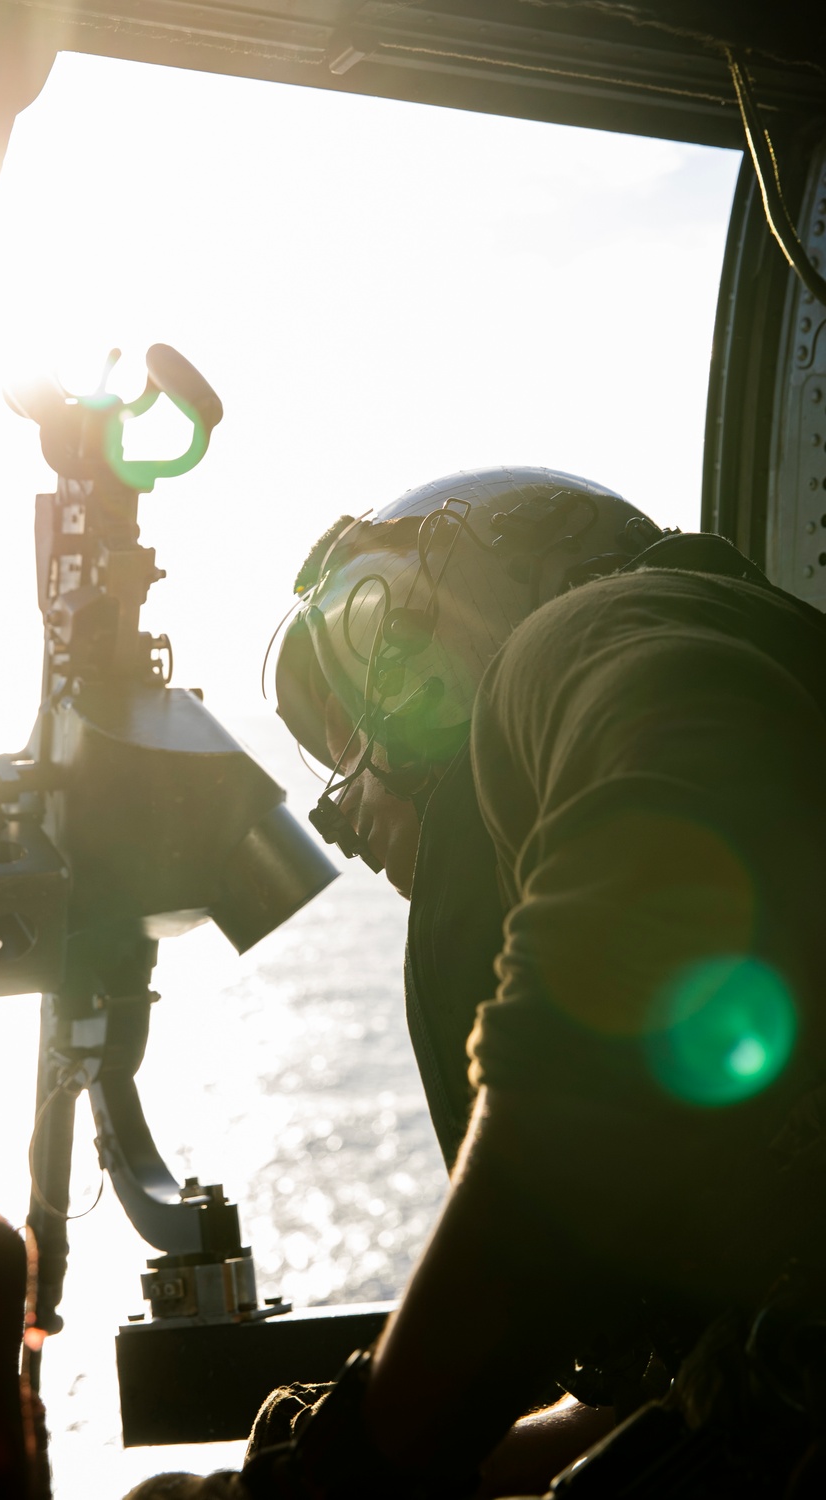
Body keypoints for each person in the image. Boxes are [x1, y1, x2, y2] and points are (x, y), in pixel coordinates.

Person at [130, 465, 826, 1498]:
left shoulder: (595, 630)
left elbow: (600, 1081)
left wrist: (357, 1455)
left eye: (361, 722)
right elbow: (665, 1368)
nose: (343, 806)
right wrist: (461, 1446)